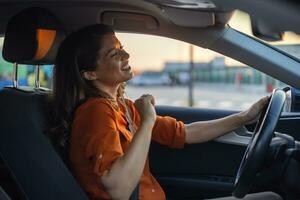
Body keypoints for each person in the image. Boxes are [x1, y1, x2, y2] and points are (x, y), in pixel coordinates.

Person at [51, 24, 282, 200]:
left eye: (122, 49)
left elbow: (186, 133)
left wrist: (245, 116)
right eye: (114, 54)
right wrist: (148, 122)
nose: (127, 56)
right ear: (90, 74)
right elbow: (119, 189)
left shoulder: (124, 107)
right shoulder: (96, 112)